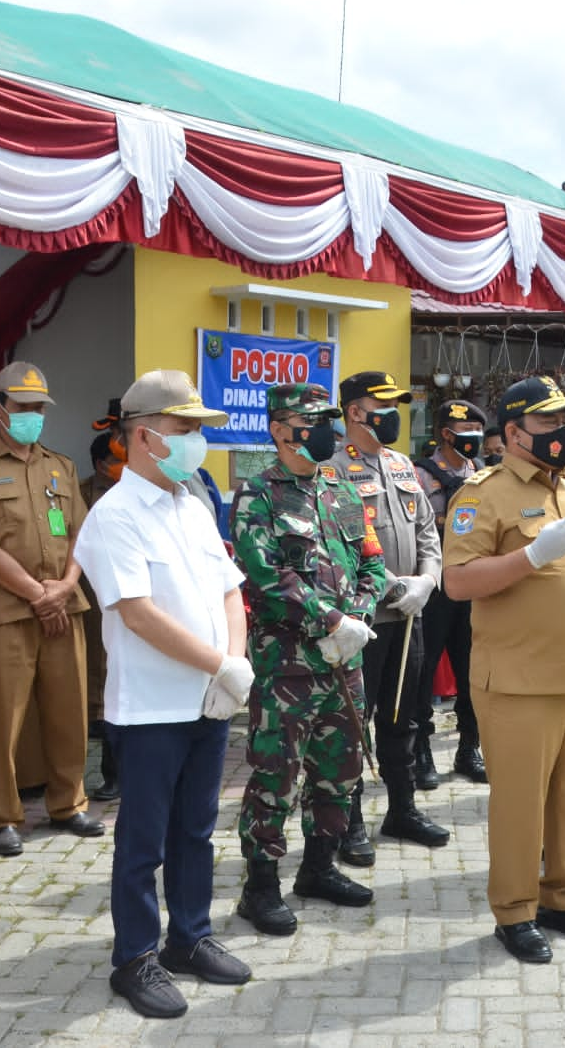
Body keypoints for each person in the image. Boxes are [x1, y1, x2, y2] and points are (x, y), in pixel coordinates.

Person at [73, 370, 253, 1019]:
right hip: (151, 709)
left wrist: (231, 662)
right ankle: (135, 957)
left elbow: (230, 588)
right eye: (186, 429)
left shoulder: (192, 504)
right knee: (143, 841)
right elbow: (139, 613)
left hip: (209, 700)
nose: (197, 441)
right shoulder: (113, 517)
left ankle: (190, 938)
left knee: (196, 831)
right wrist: (220, 664)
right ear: (144, 436)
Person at [442, 375, 565, 965]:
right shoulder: (483, 494)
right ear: (515, 432)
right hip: (517, 682)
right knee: (521, 805)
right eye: (549, 423)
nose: (562, 433)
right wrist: (529, 556)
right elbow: (457, 581)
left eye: (563, 422)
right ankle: (516, 911)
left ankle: (562, 898)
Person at [231, 383, 386, 936]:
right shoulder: (258, 495)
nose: (326, 430)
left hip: (346, 664)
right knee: (277, 777)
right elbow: (267, 576)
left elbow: (373, 564)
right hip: (289, 666)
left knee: (339, 771)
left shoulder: (343, 489)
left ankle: (318, 868)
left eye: (328, 419)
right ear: (279, 430)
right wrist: (330, 622)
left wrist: (358, 622)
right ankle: (260, 886)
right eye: (312, 420)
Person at [0, 361, 103, 857]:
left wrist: (64, 587)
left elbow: (82, 534)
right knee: (1, 720)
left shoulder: (60, 467)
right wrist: (39, 595)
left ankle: (69, 803)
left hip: (64, 604)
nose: (33, 416)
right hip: (5, 612)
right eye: (23, 408)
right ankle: (1, 816)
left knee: (69, 711)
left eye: (39, 408)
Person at [327, 371, 448, 867]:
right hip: (363, 620)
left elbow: (426, 531)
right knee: (355, 723)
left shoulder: (402, 466)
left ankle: (402, 810)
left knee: (405, 720)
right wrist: (387, 587)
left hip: (410, 616)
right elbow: (336, 548)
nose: (396, 413)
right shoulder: (330, 468)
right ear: (356, 412)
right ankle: (348, 823)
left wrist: (427, 580)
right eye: (385, 404)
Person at [413, 399, 489, 787]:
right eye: (467, 431)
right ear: (446, 434)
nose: (475, 438)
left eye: (479, 430)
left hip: (474, 585)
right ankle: (421, 751)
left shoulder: (485, 475)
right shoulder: (420, 476)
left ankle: (469, 748)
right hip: (435, 587)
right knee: (423, 673)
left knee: (472, 670)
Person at [80, 409, 127, 802]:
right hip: (97, 598)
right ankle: (112, 775)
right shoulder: (82, 494)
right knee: (107, 676)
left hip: (143, 600)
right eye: (115, 460)